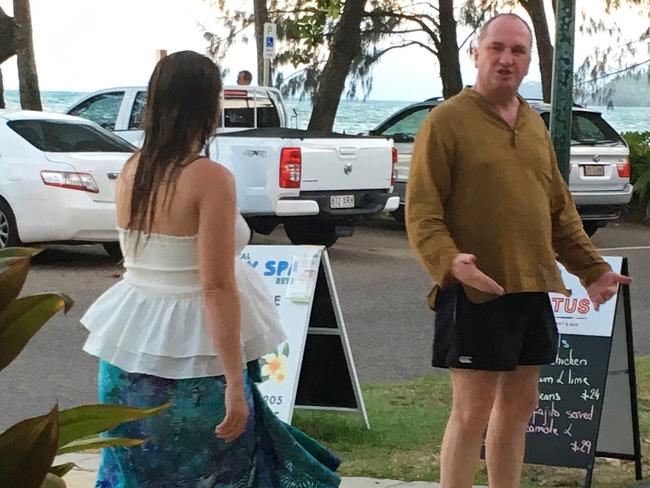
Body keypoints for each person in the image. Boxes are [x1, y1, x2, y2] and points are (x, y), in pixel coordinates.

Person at [80, 51, 340, 487]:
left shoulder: (131, 170)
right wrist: (236, 384)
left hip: (126, 362)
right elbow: (216, 287)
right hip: (196, 374)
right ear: (208, 106)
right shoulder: (210, 178)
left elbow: (140, 260)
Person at [405, 13, 631, 488]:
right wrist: (449, 261)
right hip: (475, 291)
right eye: (497, 48)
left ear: (528, 60)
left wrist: (592, 270)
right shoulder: (446, 121)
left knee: (519, 408)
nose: (506, 59)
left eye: (518, 51)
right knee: (472, 412)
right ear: (477, 53)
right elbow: (422, 212)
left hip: (531, 285)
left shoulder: (533, 124)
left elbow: (558, 211)